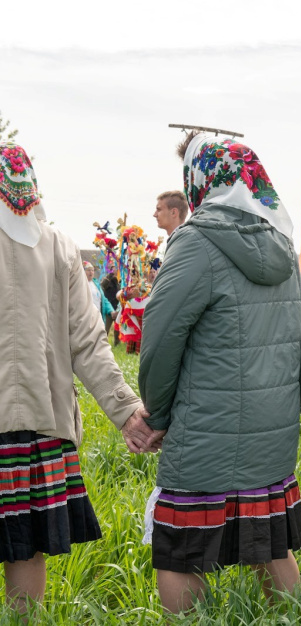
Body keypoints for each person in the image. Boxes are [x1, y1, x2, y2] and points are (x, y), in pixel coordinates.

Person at [138, 133, 301, 614]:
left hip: (205, 426)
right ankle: (290, 620)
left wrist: (158, 413)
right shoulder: (281, 244)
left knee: (181, 550)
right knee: (268, 543)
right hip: (269, 433)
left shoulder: (194, 243)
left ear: (199, 182)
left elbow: (161, 339)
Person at [0, 142, 156, 614]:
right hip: (40, 420)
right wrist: (127, 412)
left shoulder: (60, 247)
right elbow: (89, 342)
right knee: (26, 543)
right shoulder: (59, 245)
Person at [84, 261, 115, 328]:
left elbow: (104, 300)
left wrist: (111, 311)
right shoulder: (81, 284)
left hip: (98, 317)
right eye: (88, 270)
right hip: (86, 318)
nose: (91, 272)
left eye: (92, 270)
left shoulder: (96, 284)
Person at [99, 270, 120, 341]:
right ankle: (103, 341)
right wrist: (108, 278)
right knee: (106, 328)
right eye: (112, 269)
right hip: (108, 309)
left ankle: (117, 344)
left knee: (117, 329)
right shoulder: (107, 281)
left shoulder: (118, 282)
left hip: (116, 308)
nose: (114, 272)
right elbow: (101, 286)